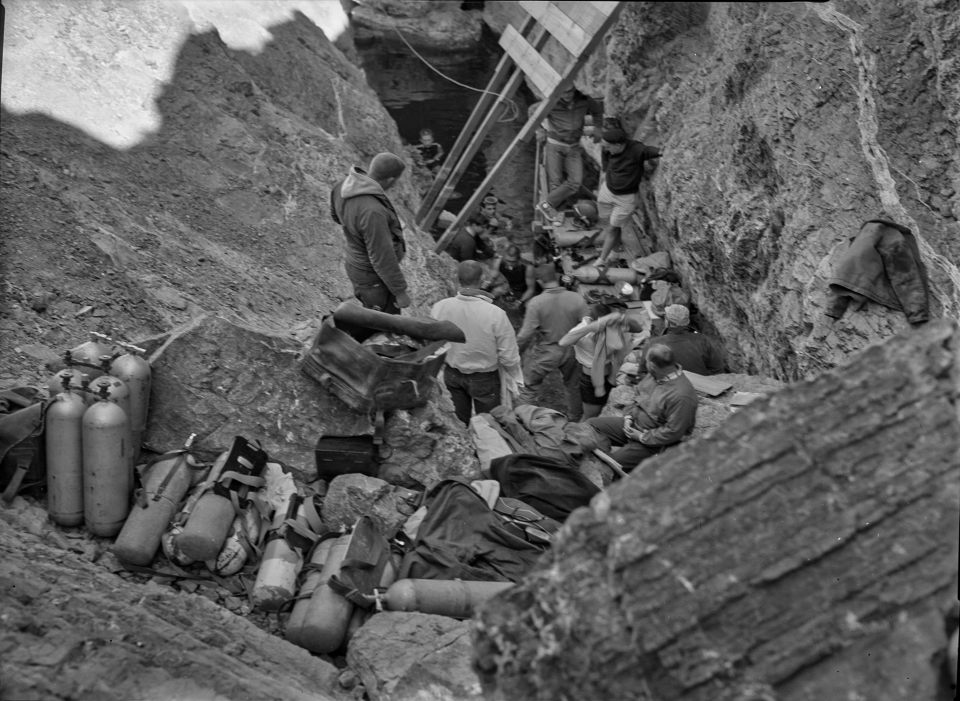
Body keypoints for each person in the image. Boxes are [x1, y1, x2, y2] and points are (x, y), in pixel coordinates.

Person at [431, 261, 523, 425]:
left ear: (457, 279)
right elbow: (509, 357)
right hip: (485, 378)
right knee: (488, 426)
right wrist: (514, 377)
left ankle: (467, 449)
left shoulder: (440, 307)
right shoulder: (496, 314)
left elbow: (434, 344)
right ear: (482, 279)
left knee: (460, 423)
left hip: (452, 375)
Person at [586, 344, 697, 471]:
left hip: (653, 442)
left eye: (647, 362)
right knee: (591, 426)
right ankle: (607, 456)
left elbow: (673, 432)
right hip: (633, 425)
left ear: (652, 366)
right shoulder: (655, 375)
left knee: (610, 466)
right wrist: (628, 417)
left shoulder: (682, 396)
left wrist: (640, 437)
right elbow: (637, 397)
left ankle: (614, 463)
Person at [330, 152, 410, 316]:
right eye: (395, 181)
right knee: (385, 324)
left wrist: (362, 228)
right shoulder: (373, 212)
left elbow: (336, 216)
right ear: (389, 180)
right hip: (372, 278)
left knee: (371, 314)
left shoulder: (342, 186)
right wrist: (400, 292)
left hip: (355, 264)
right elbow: (382, 258)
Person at [517, 264, 588, 421]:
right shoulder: (576, 298)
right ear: (556, 277)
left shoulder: (536, 303)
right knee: (573, 385)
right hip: (572, 350)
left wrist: (516, 353)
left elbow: (525, 334)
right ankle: (574, 420)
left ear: (540, 282)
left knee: (528, 386)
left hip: (547, 350)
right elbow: (588, 325)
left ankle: (525, 420)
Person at [560, 303, 646, 420]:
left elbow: (638, 329)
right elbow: (563, 342)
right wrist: (591, 327)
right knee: (591, 417)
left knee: (604, 412)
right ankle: (580, 435)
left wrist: (621, 317)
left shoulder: (613, 325)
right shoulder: (584, 329)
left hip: (611, 375)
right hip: (591, 380)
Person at [532, 86, 604, 220]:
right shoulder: (551, 102)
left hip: (574, 147)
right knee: (556, 182)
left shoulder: (584, 100)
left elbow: (597, 111)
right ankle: (558, 215)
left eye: (569, 92)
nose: (566, 95)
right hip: (555, 145)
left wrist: (598, 128)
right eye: (563, 92)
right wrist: (540, 130)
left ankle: (546, 205)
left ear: (575, 91)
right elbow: (532, 111)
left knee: (575, 182)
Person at [594, 128, 662, 266]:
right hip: (607, 191)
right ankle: (614, 253)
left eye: (608, 147)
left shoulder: (635, 149)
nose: (606, 149)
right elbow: (606, 160)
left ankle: (601, 260)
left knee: (612, 228)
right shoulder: (609, 149)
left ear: (618, 145)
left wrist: (661, 152)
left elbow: (647, 151)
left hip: (624, 199)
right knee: (612, 225)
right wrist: (605, 174)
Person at [641, 304, 724, 376]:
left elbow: (643, 371)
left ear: (667, 321)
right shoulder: (703, 340)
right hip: (702, 388)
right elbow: (717, 369)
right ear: (687, 322)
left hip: (668, 389)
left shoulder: (654, 343)